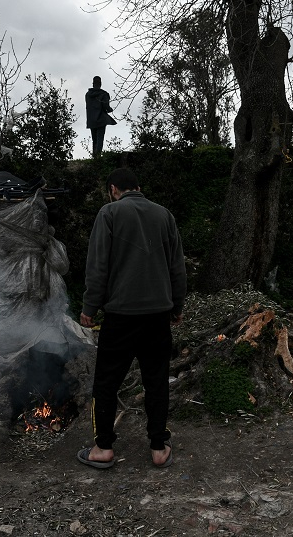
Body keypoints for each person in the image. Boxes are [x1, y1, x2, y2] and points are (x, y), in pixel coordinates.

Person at [76, 168, 186, 469]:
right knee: (156, 382)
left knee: (107, 383)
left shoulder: (109, 213)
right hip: (157, 316)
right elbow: (177, 266)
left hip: (121, 317)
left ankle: (103, 448)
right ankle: (159, 448)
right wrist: (177, 306)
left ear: (114, 189)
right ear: (138, 187)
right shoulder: (164, 215)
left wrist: (89, 308)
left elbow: (97, 266)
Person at [85, 76, 116, 158]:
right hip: (101, 119)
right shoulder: (104, 94)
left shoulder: (88, 95)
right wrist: (110, 109)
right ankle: (98, 157)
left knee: (94, 139)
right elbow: (106, 106)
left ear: (93, 83)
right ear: (100, 84)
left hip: (91, 120)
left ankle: (95, 156)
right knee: (100, 139)